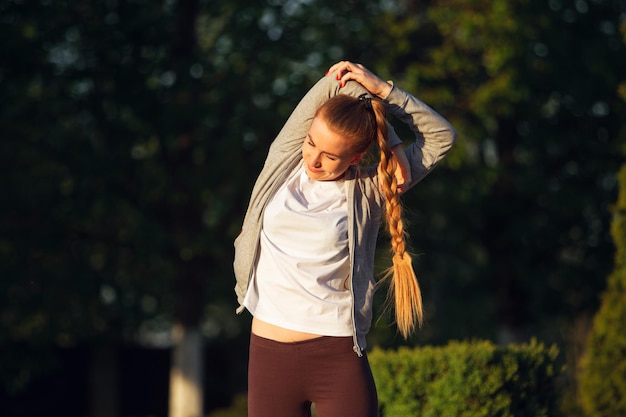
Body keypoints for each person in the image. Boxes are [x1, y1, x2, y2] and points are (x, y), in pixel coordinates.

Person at [233, 61, 456, 417]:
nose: (314, 159)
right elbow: (335, 84)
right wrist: (392, 136)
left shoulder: (368, 191)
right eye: (311, 143)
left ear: (355, 157)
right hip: (268, 354)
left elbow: (442, 136)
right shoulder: (283, 161)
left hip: (337, 356)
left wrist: (386, 96)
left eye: (330, 155)